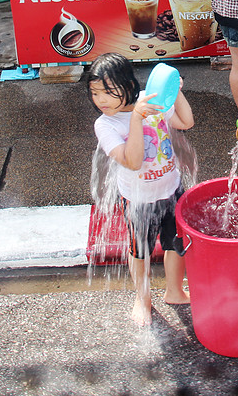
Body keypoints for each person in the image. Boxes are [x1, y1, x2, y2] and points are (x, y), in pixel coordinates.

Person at [87, 52, 195, 326]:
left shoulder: (151, 100)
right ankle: (142, 299)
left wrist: (175, 90)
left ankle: (174, 290)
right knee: (140, 252)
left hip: (171, 188)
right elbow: (132, 161)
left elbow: (185, 122)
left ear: (129, 86)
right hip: (139, 200)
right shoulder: (106, 124)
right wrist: (136, 119)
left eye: (108, 93)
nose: (101, 100)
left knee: (176, 245)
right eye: (95, 93)